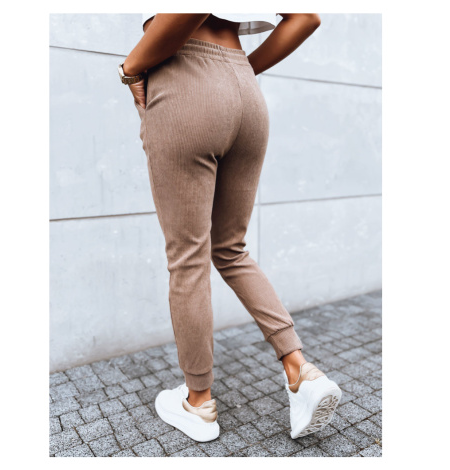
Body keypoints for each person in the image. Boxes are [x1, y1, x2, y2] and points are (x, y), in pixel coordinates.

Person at [119, 13, 341, 443]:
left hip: (184, 82)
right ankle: (300, 370)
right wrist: (238, 72)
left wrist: (130, 68)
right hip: (245, 90)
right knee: (230, 248)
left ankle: (198, 403)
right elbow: (306, 17)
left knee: (188, 257)